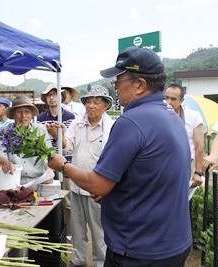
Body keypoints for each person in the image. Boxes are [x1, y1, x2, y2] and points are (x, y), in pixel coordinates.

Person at [48, 46, 192, 266]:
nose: (115, 86)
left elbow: (98, 185)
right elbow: (152, 178)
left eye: (119, 81)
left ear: (140, 85)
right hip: (172, 244)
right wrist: (116, 196)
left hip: (139, 250)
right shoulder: (172, 117)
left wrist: (63, 166)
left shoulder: (132, 121)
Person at [53, 85, 113, 267]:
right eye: (88, 102)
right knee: (78, 227)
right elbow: (67, 145)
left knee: (98, 230)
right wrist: (58, 135)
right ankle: (78, 260)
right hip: (78, 185)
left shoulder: (112, 127)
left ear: (106, 106)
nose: (91, 106)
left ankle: (100, 263)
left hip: (98, 188)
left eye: (96, 102)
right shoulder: (78, 123)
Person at [37, 83, 75, 237]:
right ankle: (51, 233)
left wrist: (56, 134)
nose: (52, 98)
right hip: (47, 163)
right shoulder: (40, 118)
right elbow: (38, 141)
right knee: (47, 199)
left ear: (61, 97)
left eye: (55, 94)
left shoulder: (69, 117)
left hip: (66, 162)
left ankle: (69, 234)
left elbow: (69, 143)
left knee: (67, 201)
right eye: (49, 95)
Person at [0, 95, 53, 185]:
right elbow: (0, 154)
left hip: (38, 181)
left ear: (31, 115)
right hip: (13, 179)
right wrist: (5, 162)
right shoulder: (5, 131)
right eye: (19, 112)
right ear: (13, 114)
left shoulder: (40, 129)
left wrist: (49, 172)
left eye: (27, 112)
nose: (23, 116)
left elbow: (49, 155)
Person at [165, 83, 204, 188]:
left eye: (173, 99)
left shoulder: (193, 116)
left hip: (184, 164)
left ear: (181, 100)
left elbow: (199, 145)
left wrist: (198, 172)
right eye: (166, 98)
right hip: (163, 163)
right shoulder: (159, 113)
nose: (169, 102)